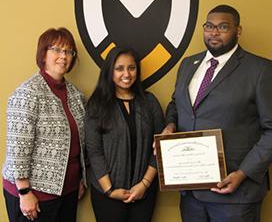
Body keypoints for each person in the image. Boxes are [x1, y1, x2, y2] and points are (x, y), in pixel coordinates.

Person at [163, 4, 272, 222]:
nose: (214, 32)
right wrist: (170, 125)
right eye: (209, 26)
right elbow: (176, 105)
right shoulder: (188, 64)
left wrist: (243, 173)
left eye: (223, 27)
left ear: (238, 31)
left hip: (236, 194)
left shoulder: (261, 69)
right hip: (191, 193)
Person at [2, 27, 86, 222]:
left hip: (68, 192)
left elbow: (79, 143)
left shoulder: (76, 95)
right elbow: (18, 147)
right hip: (34, 195)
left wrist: (80, 179)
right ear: (43, 54)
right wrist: (24, 192)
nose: (63, 56)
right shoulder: (28, 93)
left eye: (68, 51)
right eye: (56, 49)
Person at [85, 46, 164, 222]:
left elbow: (159, 148)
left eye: (131, 68)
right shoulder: (97, 105)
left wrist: (144, 184)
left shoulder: (150, 102)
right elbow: (94, 151)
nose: (126, 74)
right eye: (119, 68)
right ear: (109, 71)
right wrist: (110, 191)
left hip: (144, 192)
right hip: (106, 194)